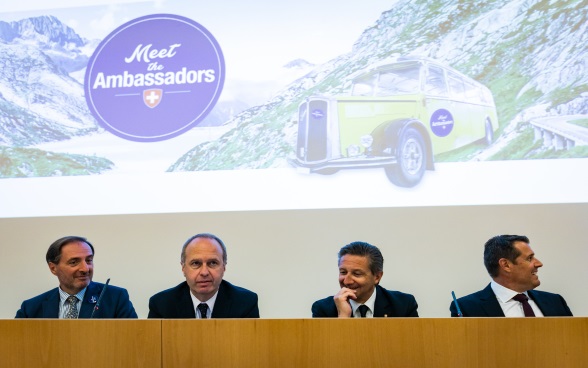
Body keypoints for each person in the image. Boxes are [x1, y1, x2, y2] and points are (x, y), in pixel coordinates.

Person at [450, 234, 572, 317]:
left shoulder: (555, 302)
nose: (539, 264)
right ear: (506, 265)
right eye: (530, 258)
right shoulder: (467, 308)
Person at [15, 236, 137, 318]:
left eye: (89, 260)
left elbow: (133, 341)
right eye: (74, 262)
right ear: (53, 268)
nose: (85, 269)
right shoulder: (31, 308)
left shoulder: (115, 298)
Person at [148, 233, 259, 318]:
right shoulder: (161, 304)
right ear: (183, 267)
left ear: (224, 267)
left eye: (213, 263)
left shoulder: (245, 302)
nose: (204, 272)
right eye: (196, 263)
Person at [312, 241, 418, 318]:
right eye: (343, 272)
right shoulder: (323, 309)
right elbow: (327, 348)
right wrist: (343, 316)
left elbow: (413, 346)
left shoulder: (403, 304)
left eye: (357, 274)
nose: (347, 281)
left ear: (377, 277)